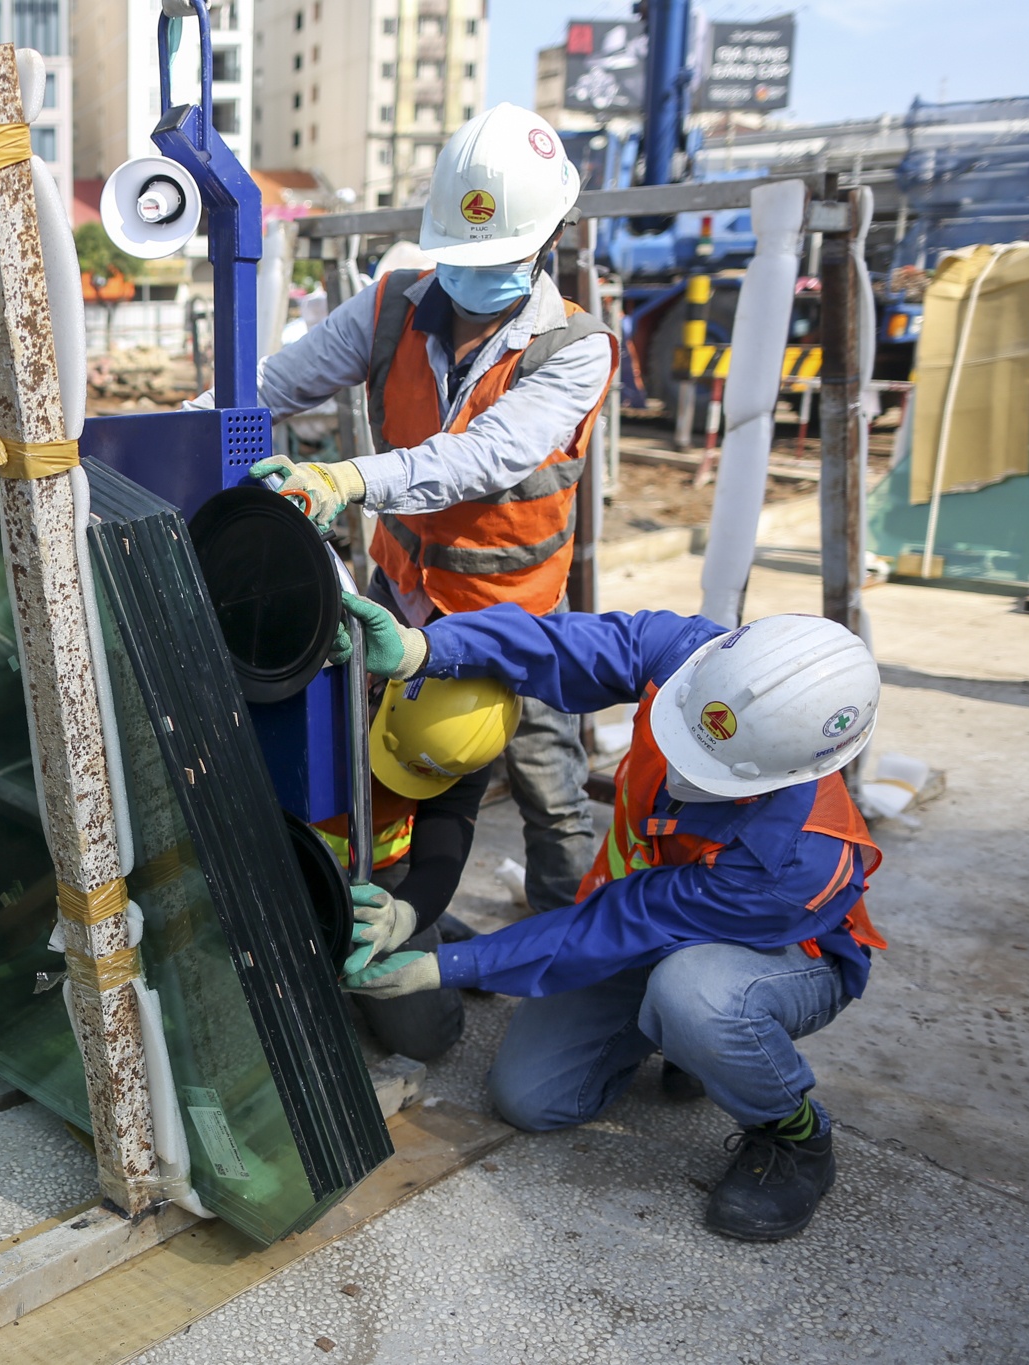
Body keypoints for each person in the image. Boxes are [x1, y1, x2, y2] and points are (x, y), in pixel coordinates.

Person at [338, 594, 886, 1242]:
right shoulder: (696, 664)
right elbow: (558, 645)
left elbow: (624, 921)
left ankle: (791, 1131)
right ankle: (684, 1039)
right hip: (651, 923)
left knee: (695, 996)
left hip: (777, 958)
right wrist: (423, 649)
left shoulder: (791, 855)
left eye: (713, 773)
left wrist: (443, 966)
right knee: (530, 1098)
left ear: (785, 773)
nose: (682, 770)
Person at [227, 103, 615, 919]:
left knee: (549, 787)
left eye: (501, 254)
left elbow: (485, 456)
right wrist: (176, 430)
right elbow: (272, 385)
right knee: (401, 765)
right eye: (464, 254)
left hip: (521, 620)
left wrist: (346, 479)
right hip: (403, 604)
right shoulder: (390, 308)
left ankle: (564, 947)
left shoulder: (576, 348)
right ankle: (395, 912)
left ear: (546, 241)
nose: (478, 272)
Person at [339, 673, 520, 1061]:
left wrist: (404, 915)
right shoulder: (320, 687)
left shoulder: (470, 744)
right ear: (377, 690)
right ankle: (442, 927)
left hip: (378, 874)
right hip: (281, 853)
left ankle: (431, 922)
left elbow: (441, 858)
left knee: (424, 1038)